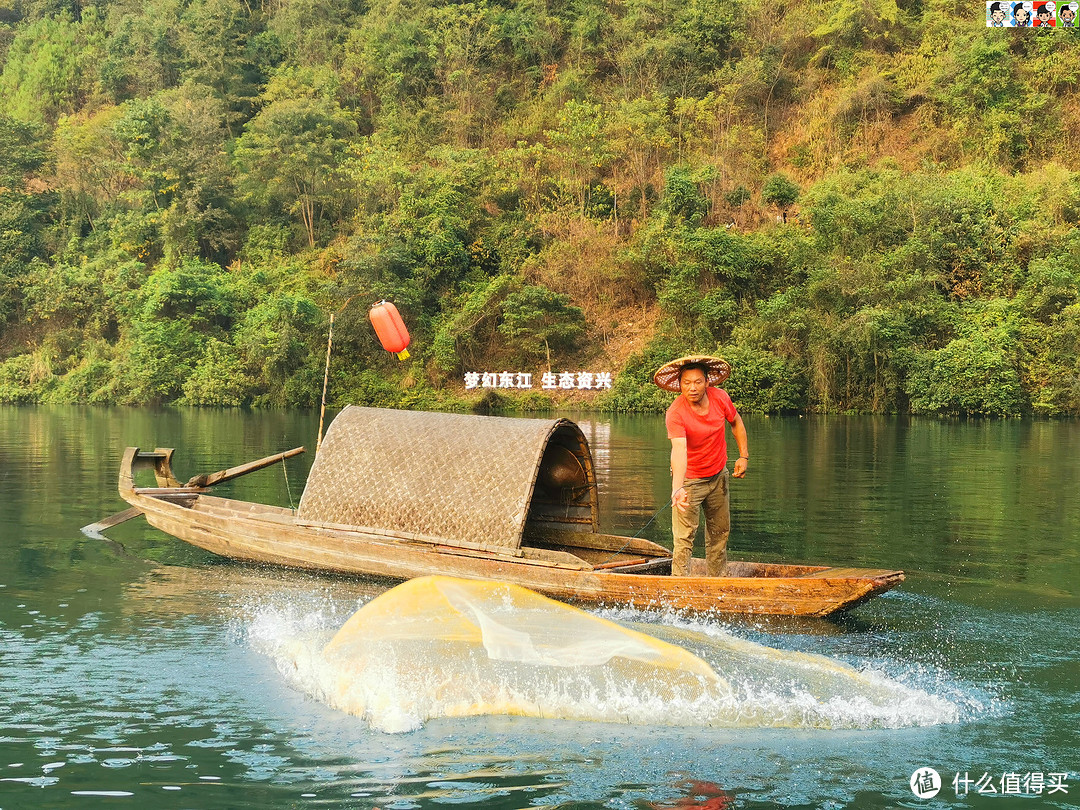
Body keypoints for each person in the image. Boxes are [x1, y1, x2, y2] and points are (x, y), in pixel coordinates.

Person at [653, 355, 749, 577]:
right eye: (686, 383)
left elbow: (736, 422)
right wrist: (677, 488)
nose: (692, 388)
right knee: (684, 538)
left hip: (718, 476)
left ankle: (717, 581)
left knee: (719, 533)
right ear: (679, 385)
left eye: (697, 382)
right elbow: (679, 450)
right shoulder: (675, 413)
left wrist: (743, 456)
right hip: (689, 480)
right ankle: (679, 587)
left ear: (707, 382)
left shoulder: (720, 398)